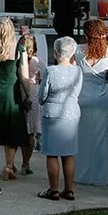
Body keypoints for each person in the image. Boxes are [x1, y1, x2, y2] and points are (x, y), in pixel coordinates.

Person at [37, 36, 82, 200]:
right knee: (68, 153)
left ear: (55, 53)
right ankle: (69, 189)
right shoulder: (78, 71)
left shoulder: (51, 70)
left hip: (53, 112)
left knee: (52, 153)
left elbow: (42, 95)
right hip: (71, 112)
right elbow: (77, 92)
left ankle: (54, 189)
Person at [0, 19, 31, 180]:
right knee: (11, 129)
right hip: (11, 93)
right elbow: (24, 76)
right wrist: (28, 94)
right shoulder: (19, 49)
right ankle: (9, 166)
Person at [73, 20, 108, 186]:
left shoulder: (77, 51)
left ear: (86, 35)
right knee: (100, 139)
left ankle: (80, 175)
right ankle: (100, 176)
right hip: (101, 98)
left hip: (81, 97)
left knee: (81, 138)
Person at [19, 28, 42, 175]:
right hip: (33, 91)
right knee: (31, 131)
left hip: (19, 91)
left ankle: (11, 162)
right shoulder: (37, 61)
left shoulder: (18, 60)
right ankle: (25, 163)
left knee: (19, 128)